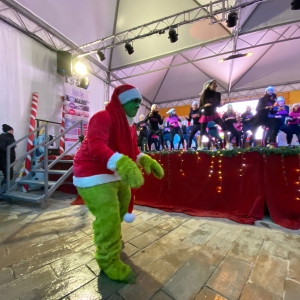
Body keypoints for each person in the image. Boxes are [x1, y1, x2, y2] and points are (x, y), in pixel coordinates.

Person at [73, 84, 164, 283]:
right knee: (109, 218)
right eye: (133, 101)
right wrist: (123, 163)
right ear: (121, 101)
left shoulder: (130, 126)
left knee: (124, 206)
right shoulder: (102, 117)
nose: (137, 105)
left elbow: (132, 148)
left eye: (139, 102)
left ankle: (110, 236)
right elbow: (96, 146)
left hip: (113, 173)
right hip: (91, 174)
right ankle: (108, 260)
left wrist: (144, 159)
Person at [198, 79, 229, 149]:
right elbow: (199, 108)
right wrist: (204, 106)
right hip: (205, 114)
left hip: (214, 114)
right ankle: (199, 147)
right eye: (214, 84)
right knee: (202, 131)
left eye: (216, 84)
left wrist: (222, 104)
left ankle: (228, 144)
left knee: (224, 126)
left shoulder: (218, 94)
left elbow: (218, 105)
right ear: (209, 85)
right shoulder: (203, 95)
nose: (216, 85)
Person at [0, 124, 16, 190]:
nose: (12, 132)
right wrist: (8, 152)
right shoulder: (4, 137)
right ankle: (2, 191)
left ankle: (3, 190)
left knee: (9, 176)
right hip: (4, 159)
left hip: (8, 159)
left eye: (13, 130)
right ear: (7, 131)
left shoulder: (9, 137)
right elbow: (1, 147)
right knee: (9, 176)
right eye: (11, 130)